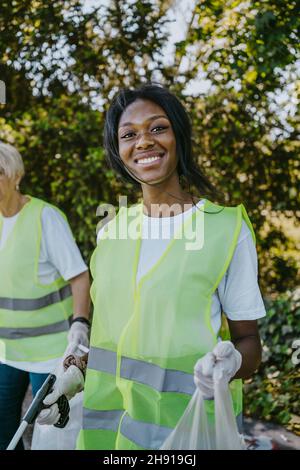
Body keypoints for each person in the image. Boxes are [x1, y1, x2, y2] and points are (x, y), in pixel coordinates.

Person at [39, 84, 266, 450]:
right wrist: (75, 373)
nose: (144, 141)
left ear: (179, 136)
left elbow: (249, 343)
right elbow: (119, 339)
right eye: (129, 134)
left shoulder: (226, 229)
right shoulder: (111, 231)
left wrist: (230, 364)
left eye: (158, 128)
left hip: (187, 437)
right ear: (118, 151)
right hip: (108, 441)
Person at [0, 142, 91, 450]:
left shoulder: (45, 218)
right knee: (3, 433)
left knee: (51, 433)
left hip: (49, 354)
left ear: (15, 176)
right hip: (5, 352)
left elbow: (79, 276)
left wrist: (80, 322)